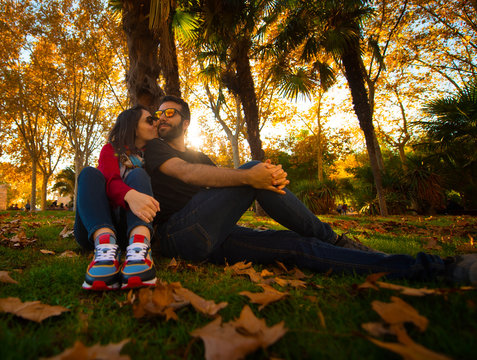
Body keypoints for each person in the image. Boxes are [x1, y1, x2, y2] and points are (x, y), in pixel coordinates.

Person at [145, 95, 477, 285]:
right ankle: (334, 237)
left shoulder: (201, 156)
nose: (161, 117)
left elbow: (223, 189)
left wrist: (268, 176)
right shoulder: (156, 149)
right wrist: (253, 175)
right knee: (249, 170)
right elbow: (187, 174)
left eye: (169, 112)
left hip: (217, 235)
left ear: (185, 121)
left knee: (300, 247)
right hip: (177, 235)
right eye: (158, 113)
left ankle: (440, 268)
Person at [74, 105, 160, 290]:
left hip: (131, 228)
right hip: (96, 228)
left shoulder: (156, 155)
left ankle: (140, 246)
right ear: (133, 126)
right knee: (89, 173)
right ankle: (105, 247)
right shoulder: (111, 150)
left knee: (138, 175)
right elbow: (109, 181)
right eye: (149, 120)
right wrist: (130, 195)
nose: (156, 123)